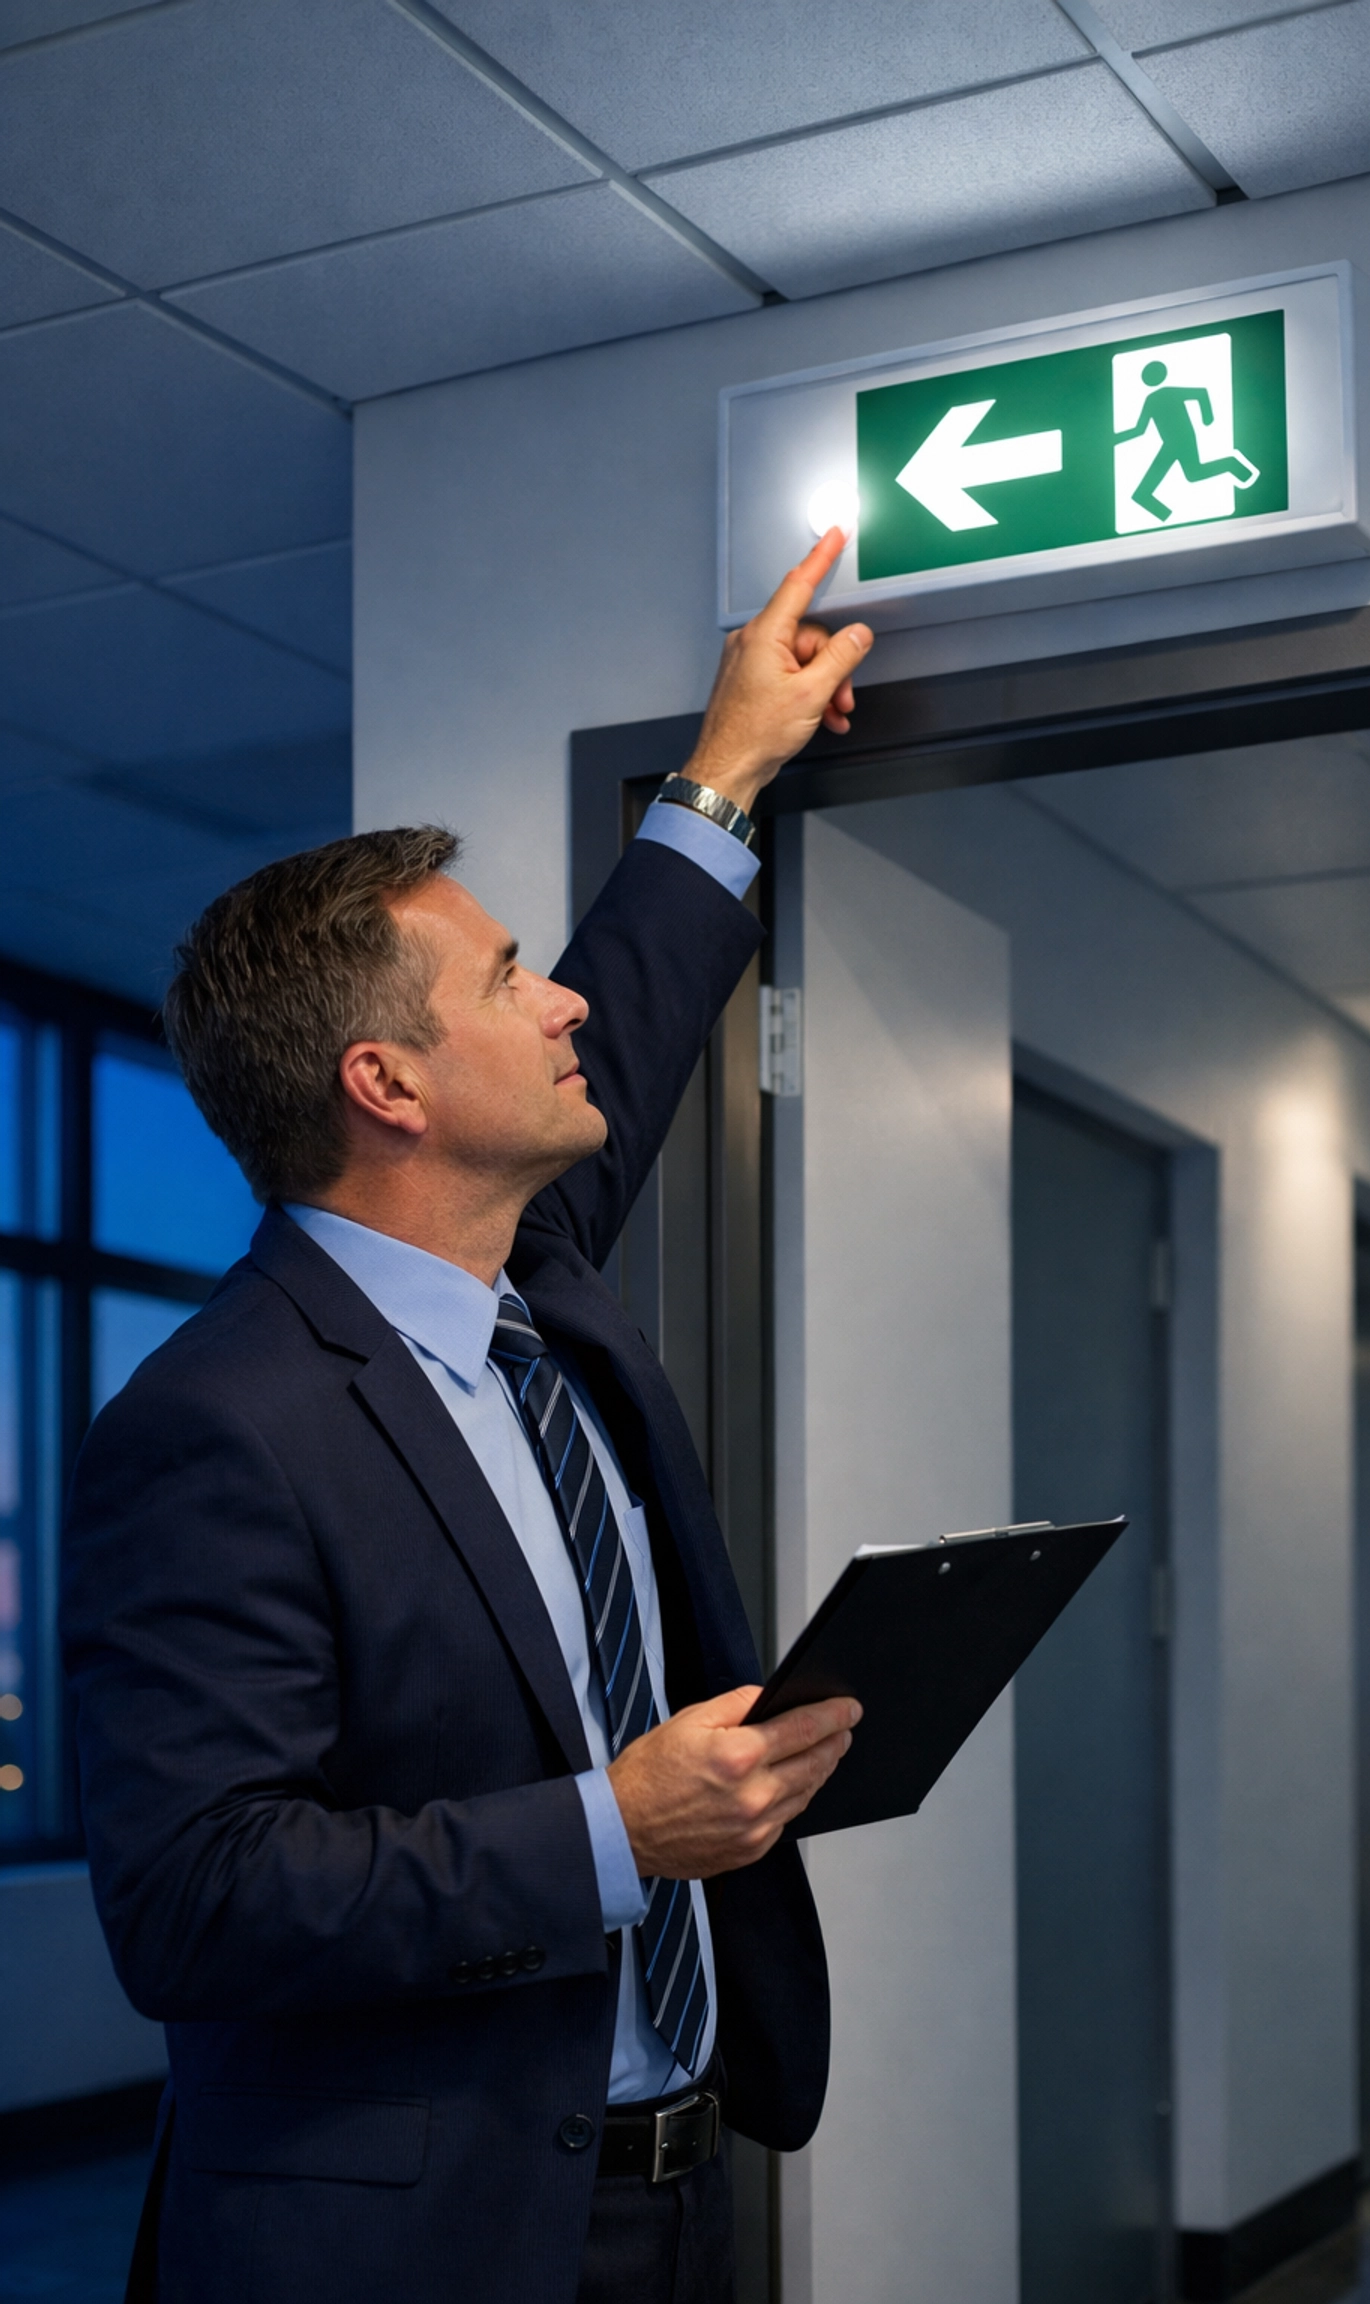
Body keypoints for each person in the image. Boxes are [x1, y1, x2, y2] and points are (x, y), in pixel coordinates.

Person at [61, 533, 873, 2304]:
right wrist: (614, 1825)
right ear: (389, 1084)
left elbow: (636, 1005)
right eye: (509, 976)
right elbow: (194, 1896)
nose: (559, 994)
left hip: (680, 2187)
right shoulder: (212, 1424)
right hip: (404, 2246)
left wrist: (726, 770)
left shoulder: (540, 1276)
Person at [1115, 357, 1259, 521]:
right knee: (1191, 474)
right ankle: (1168, 520)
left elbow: (1200, 393)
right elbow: (1140, 429)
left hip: (1183, 439)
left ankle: (1233, 466)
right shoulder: (1151, 399)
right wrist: (1114, 439)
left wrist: (1207, 417)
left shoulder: (1169, 392)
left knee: (1147, 491)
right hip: (1170, 443)